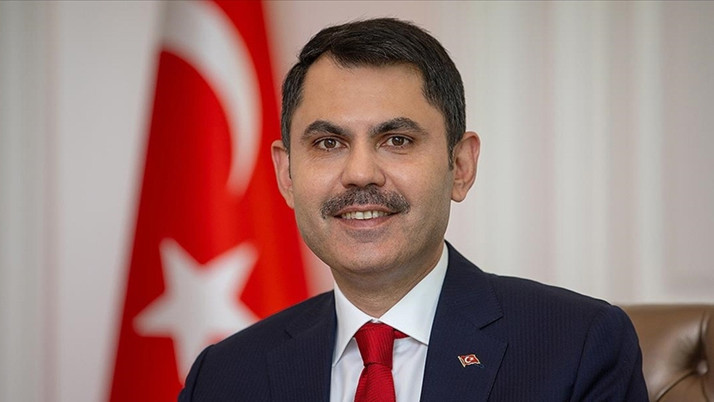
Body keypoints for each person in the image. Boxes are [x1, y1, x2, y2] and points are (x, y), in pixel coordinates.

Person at [179, 18, 647, 401]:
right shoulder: (223, 376)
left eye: (397, 140)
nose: (360, 173)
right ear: (286, 175)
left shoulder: (577, 346)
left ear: (460, 166)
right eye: (328, 143)